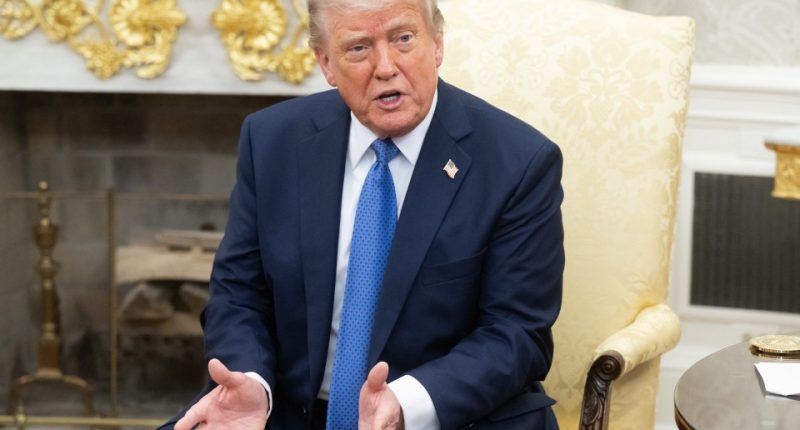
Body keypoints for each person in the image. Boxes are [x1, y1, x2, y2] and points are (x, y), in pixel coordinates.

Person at [162, 0, 563, 428]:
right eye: (358, 48)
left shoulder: (517, 162)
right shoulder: (271, 141)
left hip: (446, 413)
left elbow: (518, 334)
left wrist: (407, 403)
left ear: (437, 45)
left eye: (404, 38)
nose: (386, 66)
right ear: (326, 65)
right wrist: (251, 382)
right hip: (288, 410)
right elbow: (239, 292)